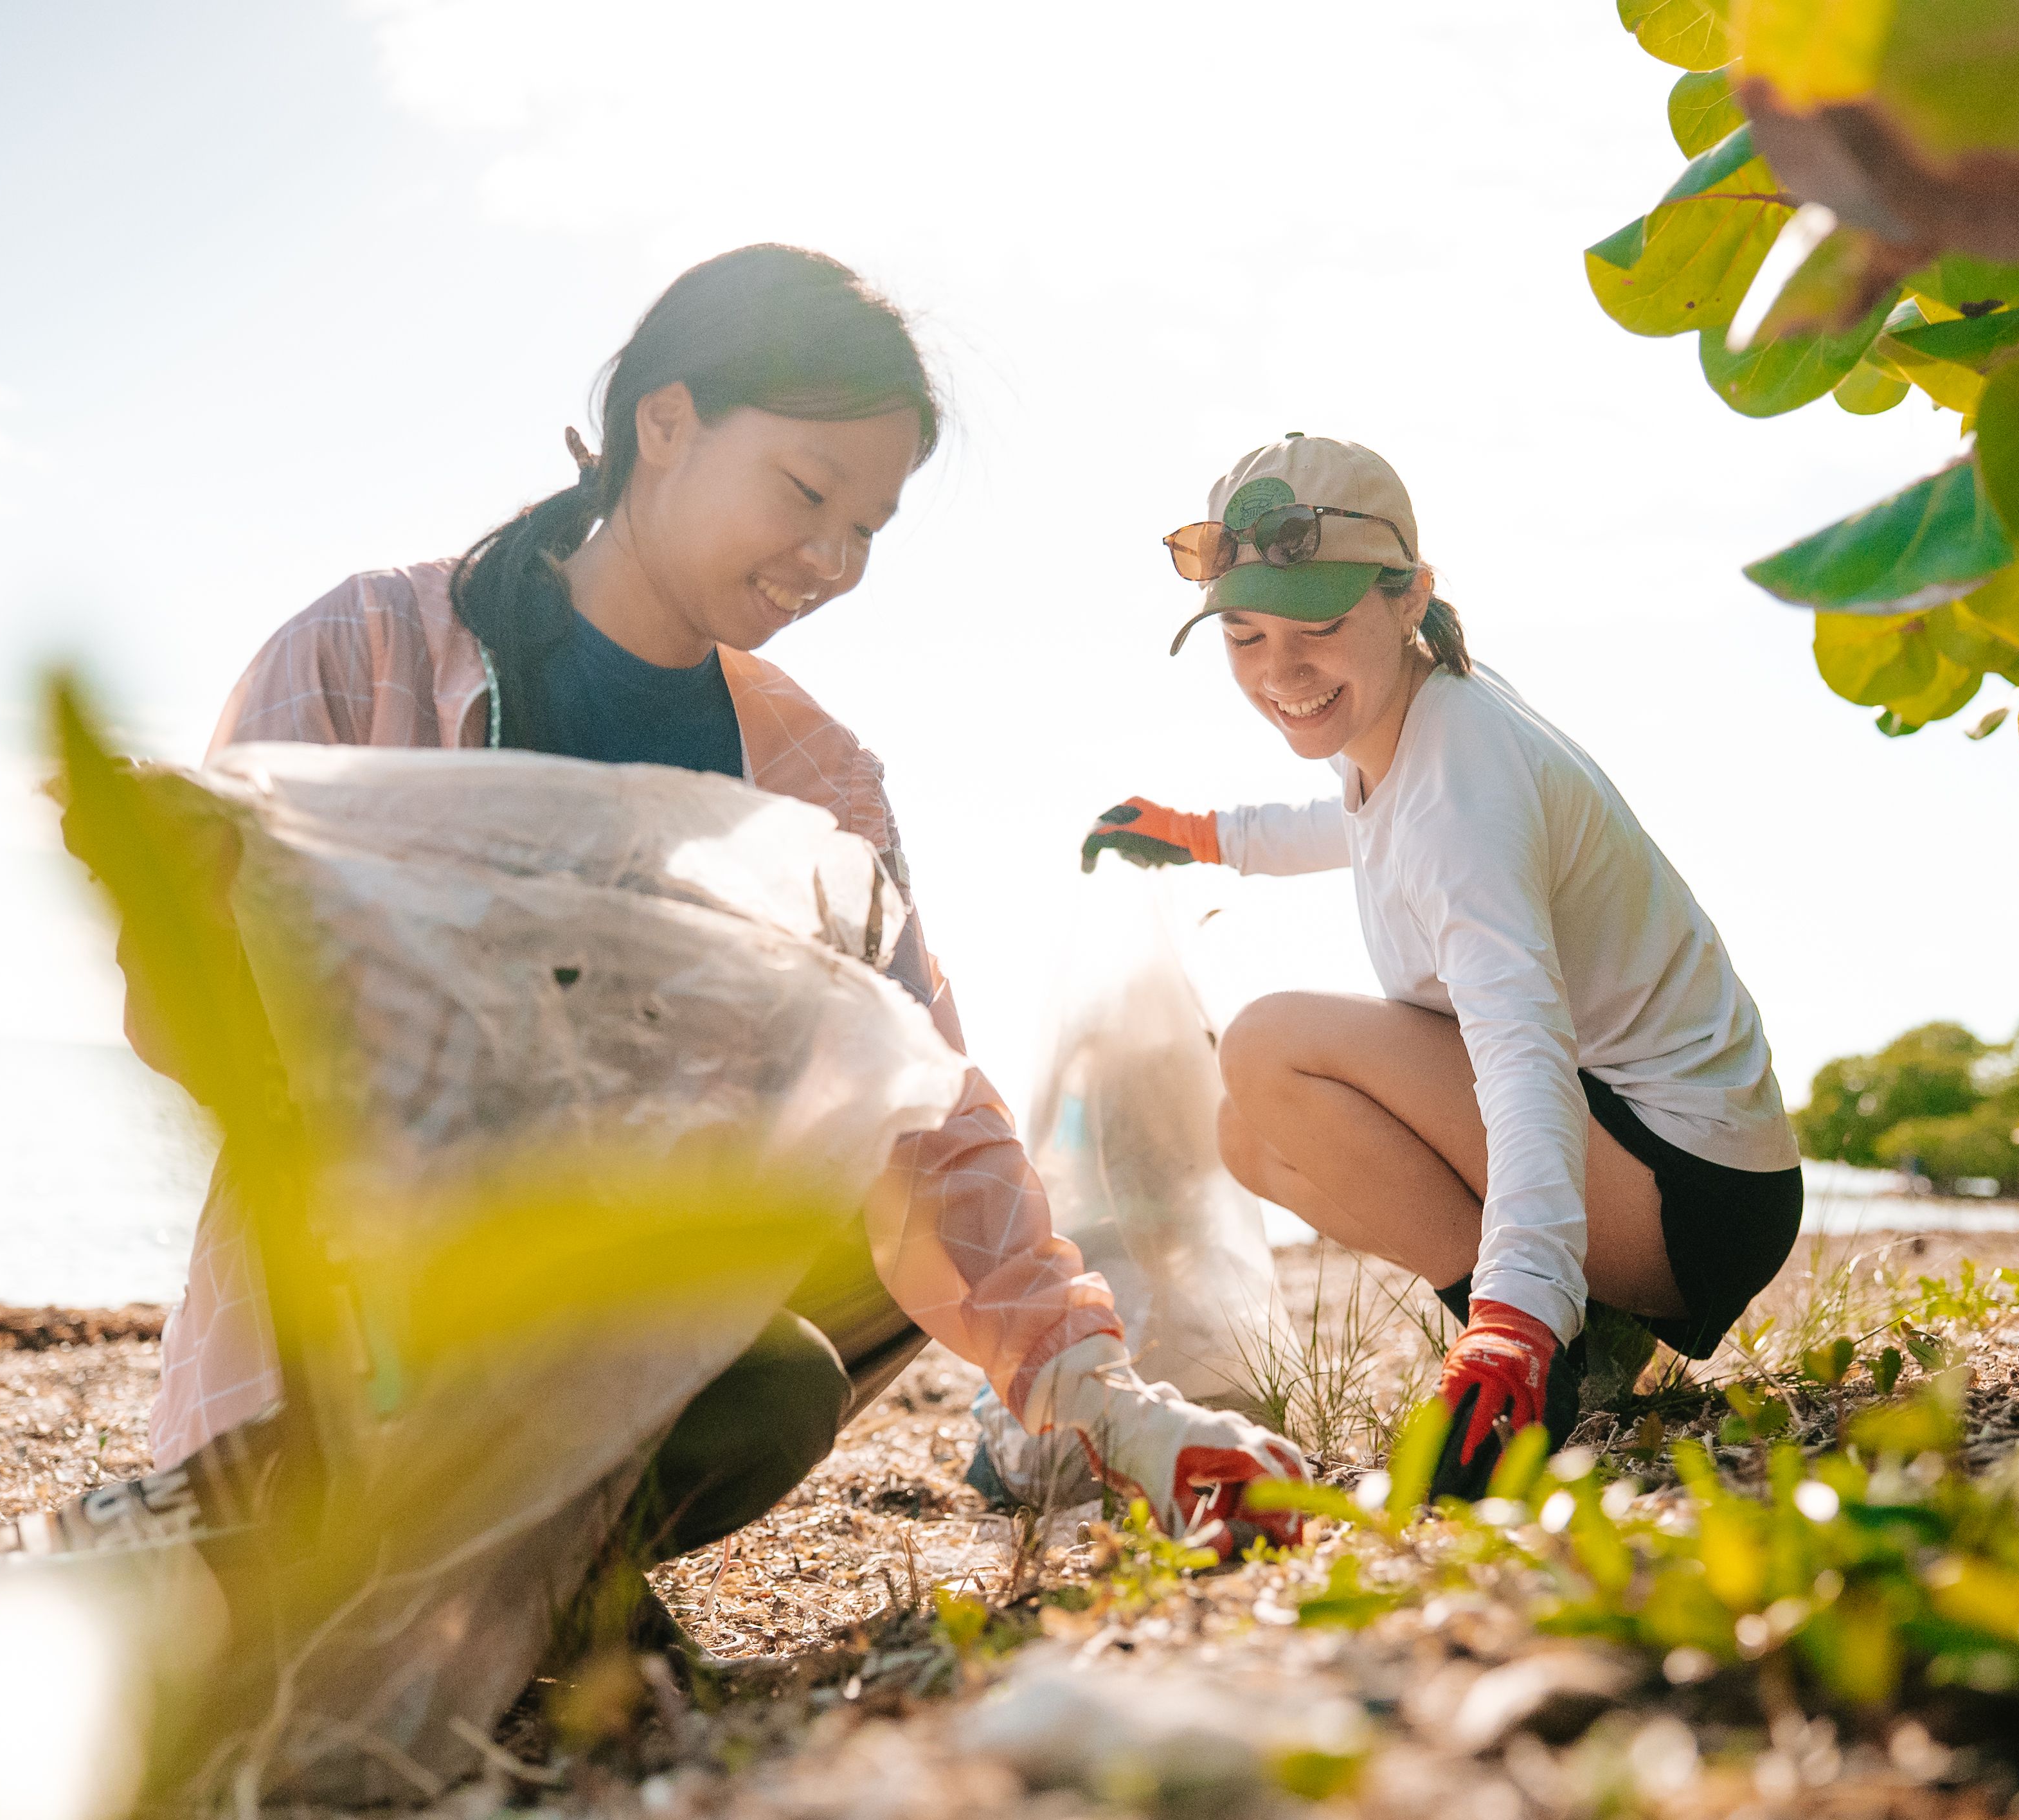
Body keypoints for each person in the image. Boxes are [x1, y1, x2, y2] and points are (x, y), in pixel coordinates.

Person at [145, 245, 1305, 1581]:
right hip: (365, 1321)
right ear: (665, 422)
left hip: (635, 1321)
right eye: (806, 493)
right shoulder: (370, 653)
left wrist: (1121, 1411)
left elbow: (928, 1107)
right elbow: (195, 1020)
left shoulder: (814, 778)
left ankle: (538, 1554)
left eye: (867, 527)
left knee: (848, 1246)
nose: (830, 558)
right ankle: (416, 1546)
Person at [1081, 433, 1804, 1492]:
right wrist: (1201, 834)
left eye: (1320, 627)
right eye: (1245, 634)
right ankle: (1588, 1332)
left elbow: (1520, 1053)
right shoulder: (1425, 711)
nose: (1281, 672)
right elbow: (1364, 829)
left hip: (1691, 1190)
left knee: (1270, 1043)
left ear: (1408, 596)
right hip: (1656, 1166)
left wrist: (1514, 1313)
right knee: (1251, 1134)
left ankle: (1526, 1361)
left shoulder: (1465, 778)